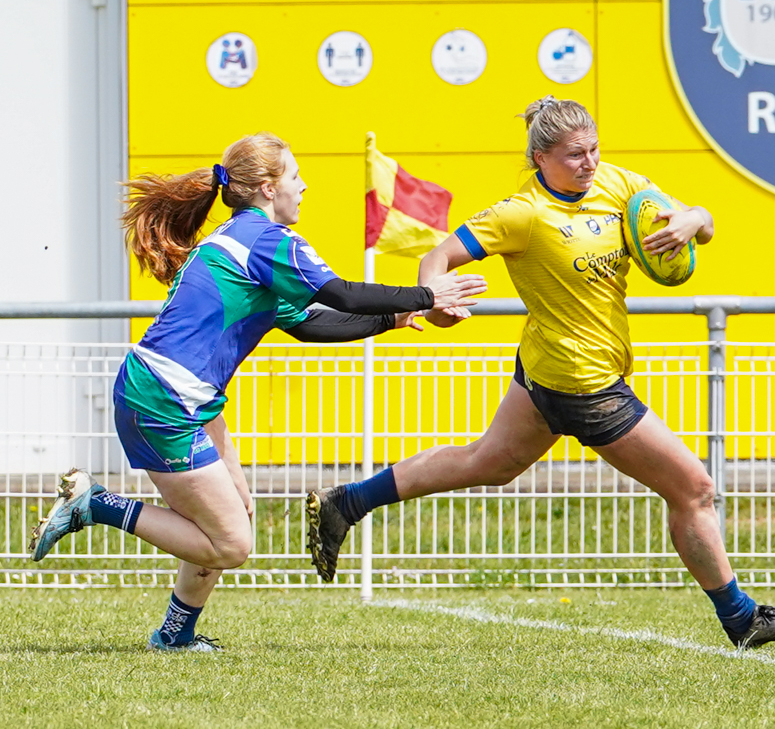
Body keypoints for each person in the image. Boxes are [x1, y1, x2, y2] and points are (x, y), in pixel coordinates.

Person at [305, 96, 775, 649]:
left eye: (594, 149)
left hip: (544, 369)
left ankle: (347, 502)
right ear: (540, 158)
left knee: (488, 463)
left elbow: (705, 225)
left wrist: (693, 219)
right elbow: (437, 256)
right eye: (575, 155)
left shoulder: (619, 185)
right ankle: (743, 620)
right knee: (694, 488)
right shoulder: (521, 212)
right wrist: (437, 300)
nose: (590, 162)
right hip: (582, 382)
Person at [27, 132, 486, 651]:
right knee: (231, 544)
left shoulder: (244, 239)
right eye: (296, 176)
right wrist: (426, 293)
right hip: (165, 400)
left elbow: (311, 323)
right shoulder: (265, 240)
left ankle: (176, 635)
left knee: (235, 514)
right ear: (269, 188)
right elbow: (340, 293)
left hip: (179, 397)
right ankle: (96, 505)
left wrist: (396, 316)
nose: (304, 186)